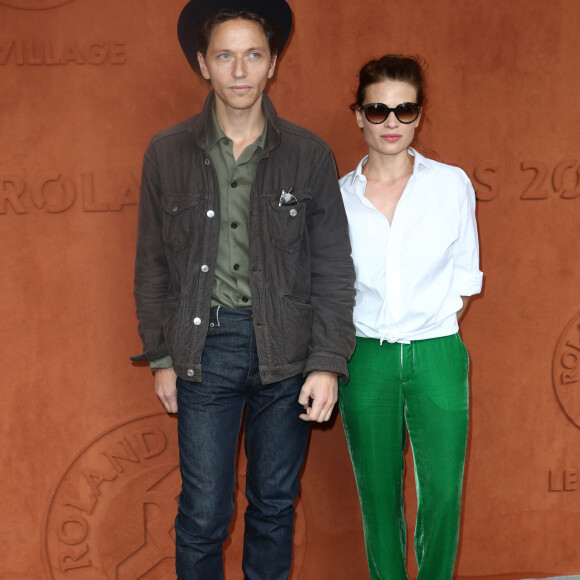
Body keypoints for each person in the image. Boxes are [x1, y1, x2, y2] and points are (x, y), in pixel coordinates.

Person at [131, 1, 355, 578]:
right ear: (203, 64)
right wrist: (161, 355)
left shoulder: (309, 156)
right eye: (225, 56)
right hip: (206, 349)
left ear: (273, 63)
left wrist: (327, 363)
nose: (239, 71)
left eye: (253, 55)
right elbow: (152, 265)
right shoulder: (166, 152)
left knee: (274, 507)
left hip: (288, 350)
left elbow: (332, 267)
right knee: (204, 513)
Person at [338, 54, 483, 580]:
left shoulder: (451, 186)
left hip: (437, 353)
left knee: (443, 495)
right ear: (358, 115)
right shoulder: (337, 200)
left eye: (405, 109)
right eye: (378, 110)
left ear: (420, 114)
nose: (392, 123)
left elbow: (465, 280)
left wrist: (424, 330)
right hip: (366, 359)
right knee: (378, 500)